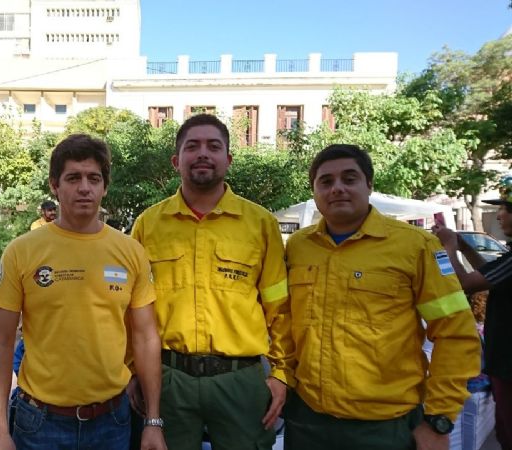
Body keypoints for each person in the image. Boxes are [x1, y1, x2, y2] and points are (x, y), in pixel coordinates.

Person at [284, 144, 481, 450]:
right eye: (326, 181)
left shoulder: (416, 246)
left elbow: (455, 333)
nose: (337, 188)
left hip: (385, 427)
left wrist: (439, 420)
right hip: (308, 420)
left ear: (369, 185)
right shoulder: (298, 247)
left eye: (349, 179)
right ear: (315, 192)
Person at [0, 133, 166, 450]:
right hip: (40, 423)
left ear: (104, 186)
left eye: (93, 178)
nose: (84, 187)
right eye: (73, 178)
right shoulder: (22, 252)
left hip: (112, 421)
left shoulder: (131, 252)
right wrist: (0, 431)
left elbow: (146, 337)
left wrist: (153, 420)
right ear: (55, 186)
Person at [131, 114, 293, 450]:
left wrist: (280, 374)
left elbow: (280, 309)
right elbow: (131, 310)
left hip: (241, 380)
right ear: (177, 160)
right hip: (167, 379)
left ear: (228, 160)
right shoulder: (148, 225)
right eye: (192, 146)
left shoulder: (260, 224)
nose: (203, 153)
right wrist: (133, 369)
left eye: (213, 146)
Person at [432, 178, 512, 450]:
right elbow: (489, 277)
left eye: (507, 210)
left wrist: (448, 248)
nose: (500, 216)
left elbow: (463, 283)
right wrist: (464, 248)